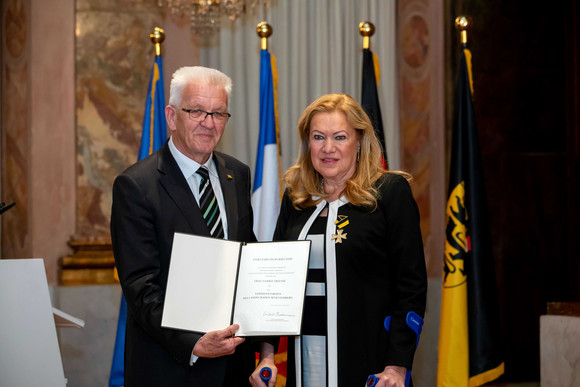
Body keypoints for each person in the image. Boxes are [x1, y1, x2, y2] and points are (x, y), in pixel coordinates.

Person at [252, 94, 427, 387]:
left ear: (359, 141)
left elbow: (411, 287)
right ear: (308, 143)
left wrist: (397, 367)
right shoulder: (296, 198)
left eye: (340, 137)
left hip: (371, 364)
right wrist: (267, 356)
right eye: (318, 137)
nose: (328, 148)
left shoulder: (389, 193)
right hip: (303, 359)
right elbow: (275, 283)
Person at [111, 66, 257, 386]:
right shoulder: (136, 185)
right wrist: (192, 342)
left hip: (236, 367)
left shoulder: (238, 174)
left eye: (218, 113)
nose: (208, 122)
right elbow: (141, 287)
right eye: (196, 111)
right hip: (172, 367)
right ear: (172, 115)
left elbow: (248, 259)